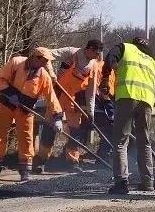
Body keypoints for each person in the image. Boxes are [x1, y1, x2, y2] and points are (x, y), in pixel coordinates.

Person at [0, 47, 63, 180]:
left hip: (26, 109)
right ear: (35, 57)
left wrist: (57, 116)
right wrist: (10, 93)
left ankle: (25, 170)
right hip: (7, 104)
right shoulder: (16, 63)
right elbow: (0, 79)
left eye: (47, 61)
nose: (46, 63)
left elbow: (51, 97)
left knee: (26, 139)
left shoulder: (44, 76)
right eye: (44, 60)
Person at [34, 39, 104, 171]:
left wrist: (91, 111)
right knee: (51, 126)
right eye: (95, 52)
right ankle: (41, 160)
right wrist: (51, 73)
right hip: (58, 94)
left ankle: (72, 161)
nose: (97, 55)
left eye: (99, 53)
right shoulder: (71, 53)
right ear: (88, 48)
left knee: (75, 131)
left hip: (74, 99)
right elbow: (46, 54)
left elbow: (91, 90)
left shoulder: (94, 66)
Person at [102, 36, 155, 195]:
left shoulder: (125, 48)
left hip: (127, 97)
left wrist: (106, 77)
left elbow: (109, 58)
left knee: (120, 141)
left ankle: (121, 182)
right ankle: (148, 182)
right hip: (146, 101)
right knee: (144, 141)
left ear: (135, 44)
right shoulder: (152, 61)